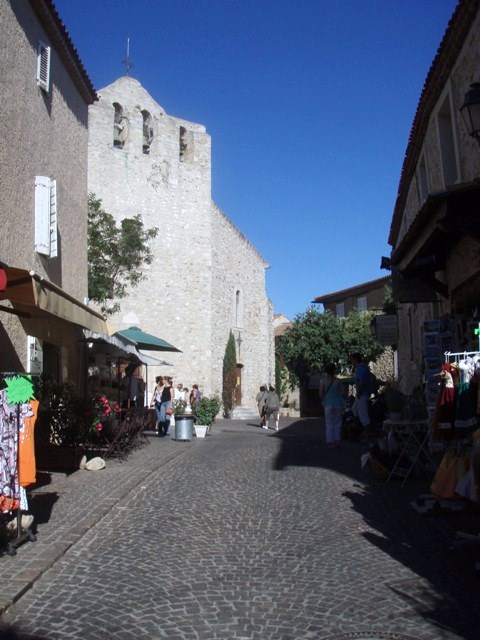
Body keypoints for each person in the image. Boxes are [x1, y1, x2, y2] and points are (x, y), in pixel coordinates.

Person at [319, 364, 346, 448]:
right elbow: (343, 392)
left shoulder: (323, 381)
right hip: (338, 403)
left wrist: (325, 399)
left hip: (328, 404)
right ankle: (337, 441)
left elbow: (320, 393)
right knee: (338, 422)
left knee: (329, 423)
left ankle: (331, 442)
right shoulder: (338, 381)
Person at [351, 353, 371, 440]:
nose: (351, 361)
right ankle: (357, 427)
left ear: (355, 359)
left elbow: (361, 382)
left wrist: (358, 392)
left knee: (363, 415)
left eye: (352, 359)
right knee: (354, 409)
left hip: (362, 394)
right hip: (363, 394)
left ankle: (366, 435)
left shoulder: (360, 369)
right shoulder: (362, 368)